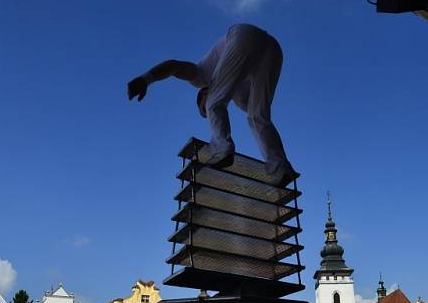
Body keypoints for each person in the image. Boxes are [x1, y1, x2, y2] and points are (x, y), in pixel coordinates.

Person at [127, 24, 299, 184]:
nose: (207, 111)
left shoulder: (201, 75)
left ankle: (221, 150)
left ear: (202, 92)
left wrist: (146, 78)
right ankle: (280, 167)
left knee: (215, 103)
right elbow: (258, 114)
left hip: (241, 36)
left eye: (203, 107)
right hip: (273, 50)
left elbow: (173, 66)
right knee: (258, 116)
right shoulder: (239, 97)